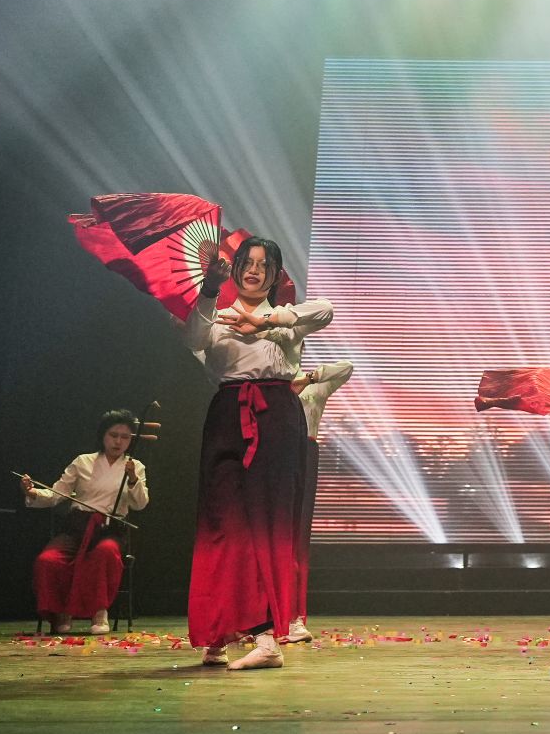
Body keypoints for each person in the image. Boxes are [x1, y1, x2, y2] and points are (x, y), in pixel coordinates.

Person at [184, 238, 333, 671]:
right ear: (233, 270)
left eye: (264, 265)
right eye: (247, 263)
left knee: (264, 524)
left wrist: (264, 322)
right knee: (222, 523)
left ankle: (267, 639)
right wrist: (209, 290)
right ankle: (219, 630)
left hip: (276, 416)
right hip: (227, 414)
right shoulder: (216, 315)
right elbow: (193, 337)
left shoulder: (285, 320)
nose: (254, 270)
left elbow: (325, 310)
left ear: (275, 274)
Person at [22, 409, 148, 634]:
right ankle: (61, 613)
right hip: (78, 527)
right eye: (113, 435)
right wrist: (32, 493)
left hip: (110, 529)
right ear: (103, 435)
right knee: (47, 560)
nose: (118, 441)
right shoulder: (83, 462)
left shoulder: (135, 466)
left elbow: (140, 504)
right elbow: (57, 493)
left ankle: (99, 613)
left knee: (105, 553)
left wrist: (132, 479)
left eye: (125, 437)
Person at [285, 360, 354, 644]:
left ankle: (292, 618)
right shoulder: (265, 383)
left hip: (304, 450)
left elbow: (347, 367)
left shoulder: (314, 385)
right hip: (269, 452)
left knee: (295, 536)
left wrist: (309, 378)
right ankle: (255, 618)